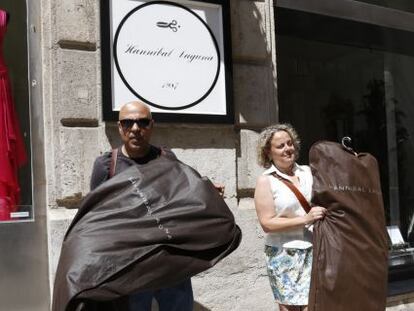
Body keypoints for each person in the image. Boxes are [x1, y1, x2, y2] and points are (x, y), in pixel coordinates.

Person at [90, 101, 193, 310]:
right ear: (120, 128)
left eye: (142, 122)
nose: (135, 129)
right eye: (128, 123)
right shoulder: (106, 165)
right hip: (131, 265)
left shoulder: (167, 158)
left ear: (151, 125)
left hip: (170, 261)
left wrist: (207, 190)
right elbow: (96, 217)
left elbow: (184, 194)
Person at [254, 124, 326, 311]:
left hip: (313, 249)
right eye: (280, 146)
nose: (288, 149)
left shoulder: (308, 172)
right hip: (283, 254)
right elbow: (267, 223)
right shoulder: (266, 180)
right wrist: (305, 219)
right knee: (290, 309)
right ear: (268, 153)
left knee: (313, 306)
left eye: (289, 143)